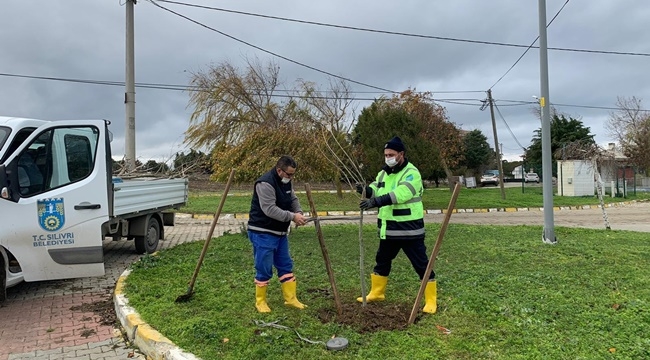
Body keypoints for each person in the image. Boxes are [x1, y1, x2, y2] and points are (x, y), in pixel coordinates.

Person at [356, 136, 437, 313]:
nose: (388, 158)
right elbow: (376, 187)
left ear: (401, 154)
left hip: (409, 229)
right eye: (385, 155)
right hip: (389, 229)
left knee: (421, 264)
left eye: (391, 154)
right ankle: (377, 293)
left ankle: (431, 300)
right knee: (382, 261)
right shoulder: (384, 172)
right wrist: (366, 191)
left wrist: (376, 202)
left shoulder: (412, 173)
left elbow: (401, 194)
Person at [247, 155, 309, 313]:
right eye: (289, 174)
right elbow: (269, 209)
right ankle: (260, 301)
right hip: (263, 232)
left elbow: (292, 198)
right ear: (279, 170)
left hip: (280, 233)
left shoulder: (286, 181)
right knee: (264, 267)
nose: (291, 177)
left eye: (293, 174)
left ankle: (291, 299)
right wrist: (292, 217)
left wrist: (298, 212)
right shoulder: (265, 183)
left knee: (285, 264)